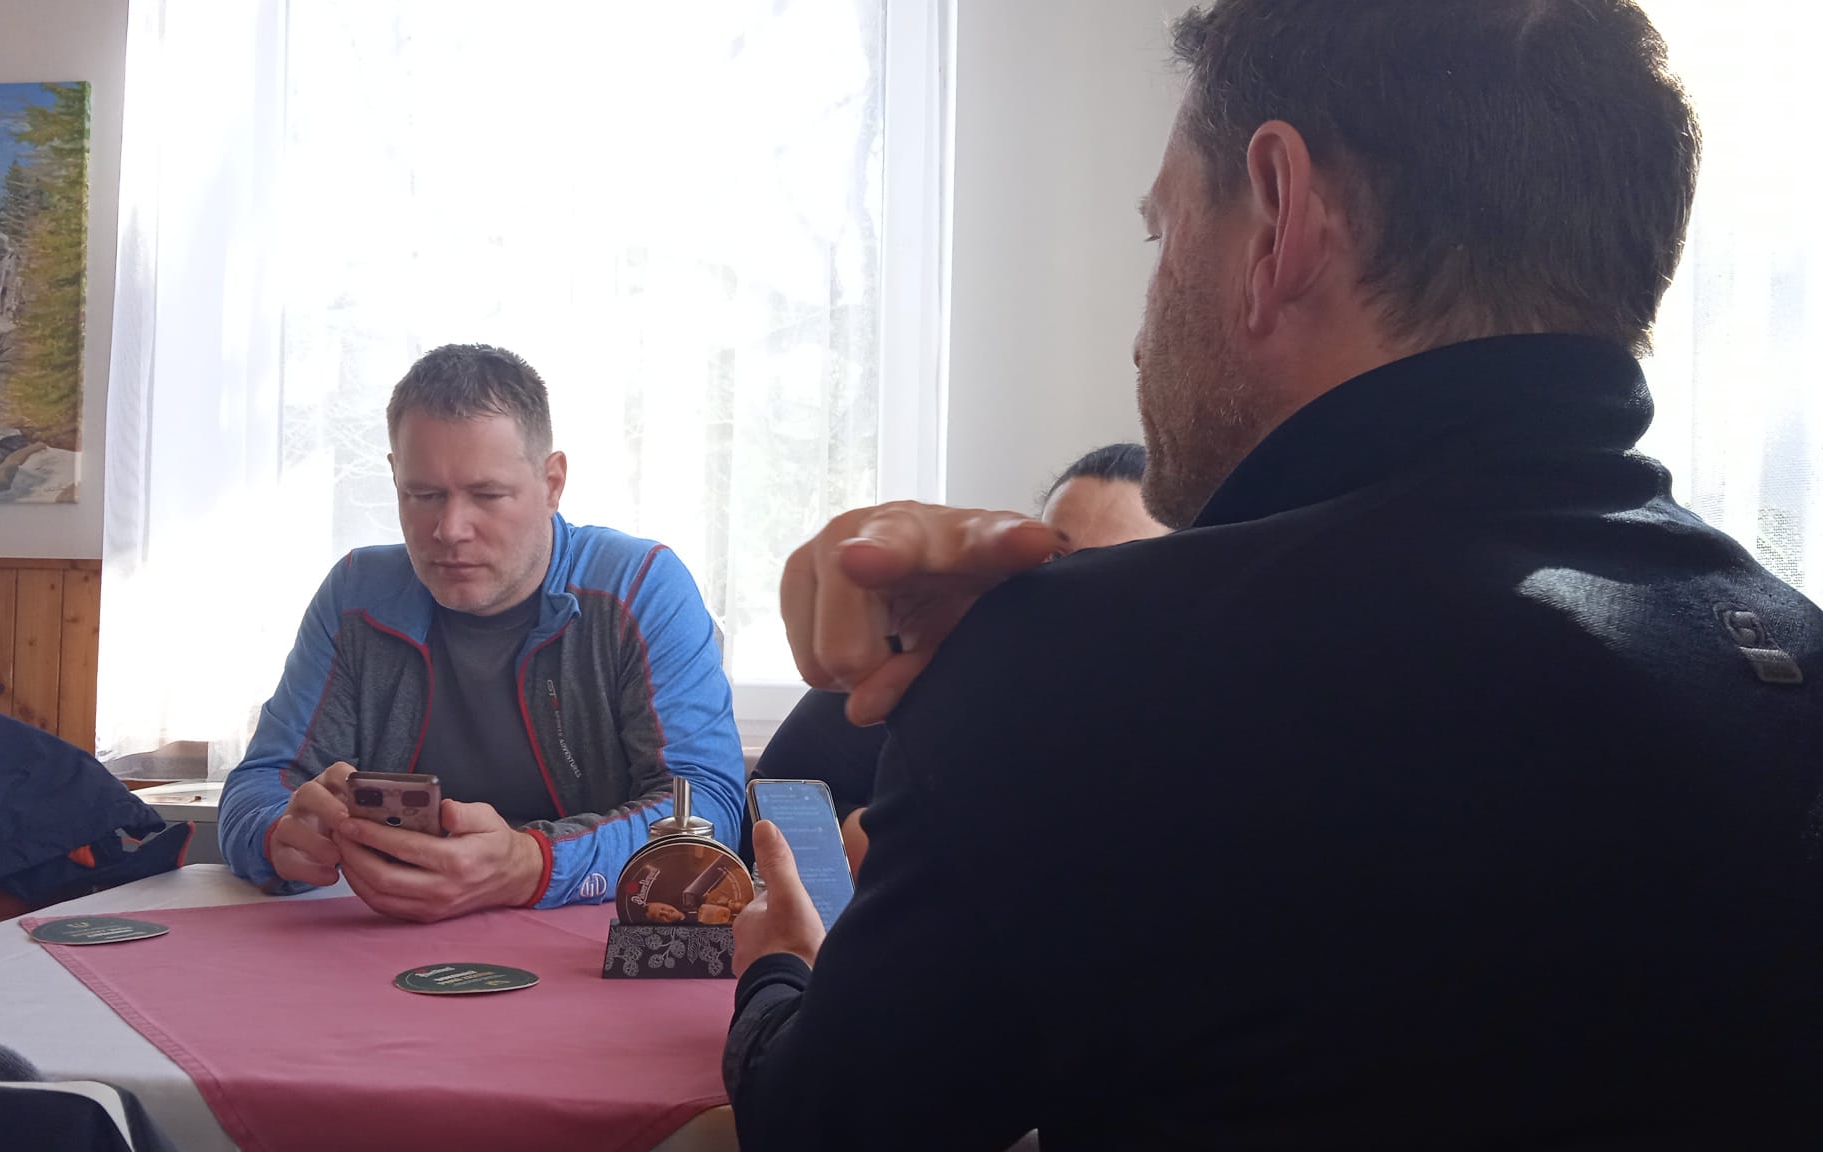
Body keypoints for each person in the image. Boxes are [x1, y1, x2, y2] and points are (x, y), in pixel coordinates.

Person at [725, 2, 1823, 1148]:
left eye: (1159, 233)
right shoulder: (1790, 668)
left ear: (1277, 216)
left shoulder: (1087, 680)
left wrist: (781, 973)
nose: (1140, 336)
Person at [218, 344, 744, 922]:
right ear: (395, 477)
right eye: (423, 495)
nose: (450, 529)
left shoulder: (641, 587)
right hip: (379, 940)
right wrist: (280, 834)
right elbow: (257, 787)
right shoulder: (355, 597)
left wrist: (532, 864)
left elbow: (707, 809)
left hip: (585, 945)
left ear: (552, 483)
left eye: (487, 495)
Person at [749, 443, 1166, 876]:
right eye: (1058, 559)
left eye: (1114, 566)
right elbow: (772, 803)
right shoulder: (939, 652)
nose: (1077, 588)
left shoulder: (1174, 727)